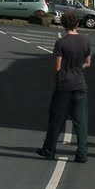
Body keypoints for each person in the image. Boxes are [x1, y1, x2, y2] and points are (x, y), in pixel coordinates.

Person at [37, 10, 92, 162]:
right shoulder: (85, 41)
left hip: (64, 85)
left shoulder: (61, 43)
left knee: (56, 119)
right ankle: (82, 153)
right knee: (81, 122)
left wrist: (56, 80)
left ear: (63, 25)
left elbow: (57, 67)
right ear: (77, 24)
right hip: (80, 85)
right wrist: (77, 67)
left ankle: (49, 150)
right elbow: (88, 62)